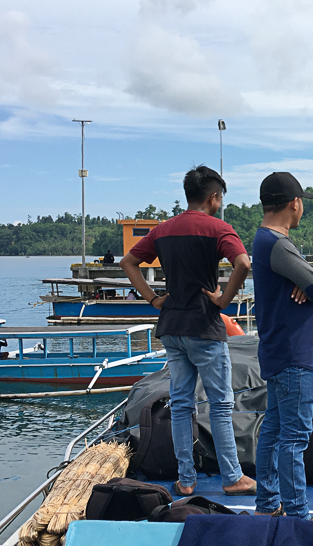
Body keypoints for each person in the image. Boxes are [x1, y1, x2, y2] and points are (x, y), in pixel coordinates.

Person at [119, 165, 256, 498]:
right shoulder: (218, 228)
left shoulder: (164, 230)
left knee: (181, 404)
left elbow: (128, 263)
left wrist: (153, 298)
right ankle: (232, 477)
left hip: (172, 327)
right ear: (213, 197)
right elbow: (243, 263)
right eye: (220, 198)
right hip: (204, 327)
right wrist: (223, 298)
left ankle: (186, 479)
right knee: (221, 404)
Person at [252, 172, 313, 519]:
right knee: (294, 438)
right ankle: (298, 516)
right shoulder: (279, 245)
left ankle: (268, 504)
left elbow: (312, 282)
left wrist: (310, 277)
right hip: (296, 355)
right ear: (295, 203)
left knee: (274, 429)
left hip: (278, 351)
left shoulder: (264, 240)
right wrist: (312, 278)